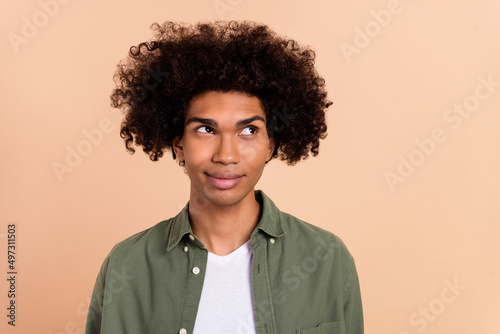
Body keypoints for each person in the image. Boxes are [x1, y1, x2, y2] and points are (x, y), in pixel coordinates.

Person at [85, 20, 363, 334]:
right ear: (178, 144)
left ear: (271, 145)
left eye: (249, 130)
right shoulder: (128, 265)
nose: (226, 155)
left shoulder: (326, 258)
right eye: (206, 129)